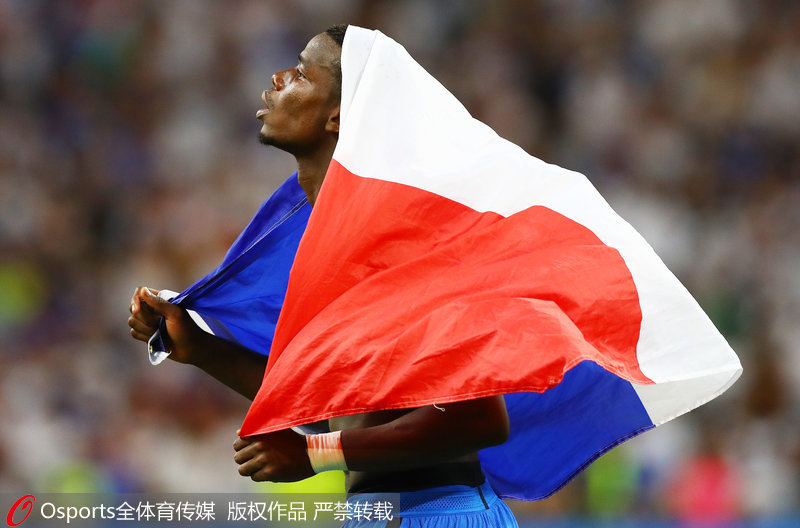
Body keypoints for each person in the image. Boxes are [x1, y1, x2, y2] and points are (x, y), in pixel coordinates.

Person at [128, 25, 518, 527]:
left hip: (441, 511)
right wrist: (202, 349)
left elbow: (481, 417)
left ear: (338, 115)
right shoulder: (323, 242)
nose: (277, 77)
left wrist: (316, 457)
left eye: (303, 73)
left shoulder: (405, 240)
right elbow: (341, 407)